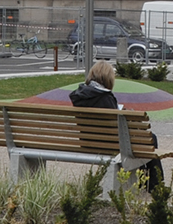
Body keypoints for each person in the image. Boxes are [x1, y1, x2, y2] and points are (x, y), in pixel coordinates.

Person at [69, 60, 165, 190]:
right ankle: (154, 184)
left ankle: (147, 181)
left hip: (87, 142)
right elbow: (116, 126)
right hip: (110, 144)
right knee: (150, 138)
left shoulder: (79, 96)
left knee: (144, 141)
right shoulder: (105, 97)